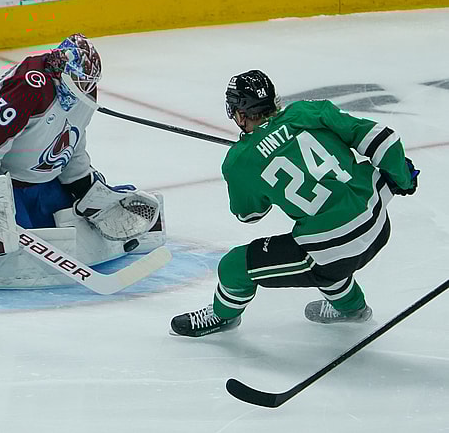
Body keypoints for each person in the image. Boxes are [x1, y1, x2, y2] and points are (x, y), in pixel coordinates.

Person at [170, 70, 419, 337]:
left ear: (240, 114)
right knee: (324, 251)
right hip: (378, 221)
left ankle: (222, 316)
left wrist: (250, 167)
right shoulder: (307, 112)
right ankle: (350, 308)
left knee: (235, 265)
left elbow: (250, 215)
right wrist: (402, 180)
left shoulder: (239, 160)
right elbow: (383, 140)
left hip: (334, 248)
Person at [0, 33, 146, 232]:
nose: (85, 88)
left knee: (72, 232)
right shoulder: (28, 87)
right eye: (80, 81)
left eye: (89, 82)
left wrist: (83, 184)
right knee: (16, 242)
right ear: (60, 70)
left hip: (39, 183)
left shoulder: (85, 94)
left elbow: (72, 139)